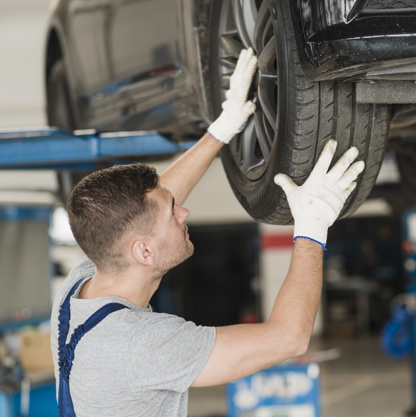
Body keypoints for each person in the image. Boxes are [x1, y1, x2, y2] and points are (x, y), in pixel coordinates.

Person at [50, 48, 365, 416]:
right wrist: (311, 230)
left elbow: (141, 216)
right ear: (144, 252)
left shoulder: (83, 285)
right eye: (173, 213)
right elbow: (288, 339)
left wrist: (222, 128)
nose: (185, 212)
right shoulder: (140, 345)